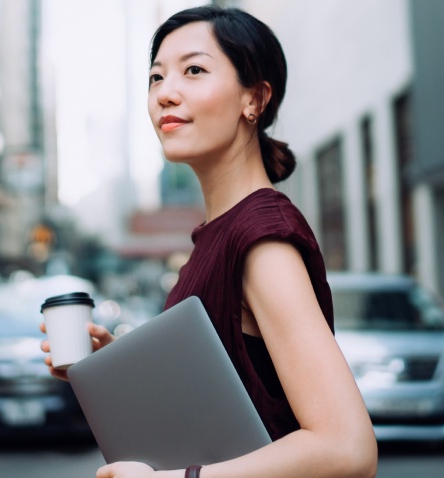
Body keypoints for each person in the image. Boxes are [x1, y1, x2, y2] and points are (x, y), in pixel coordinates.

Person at [41, 6, 377, 478]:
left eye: (194, 70)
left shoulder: (261, 237)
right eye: (156, 77)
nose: (165, 94)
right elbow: (229, 395)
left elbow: (347, 449)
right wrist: (112, 367)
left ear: (254, 100)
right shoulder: (219, 234)